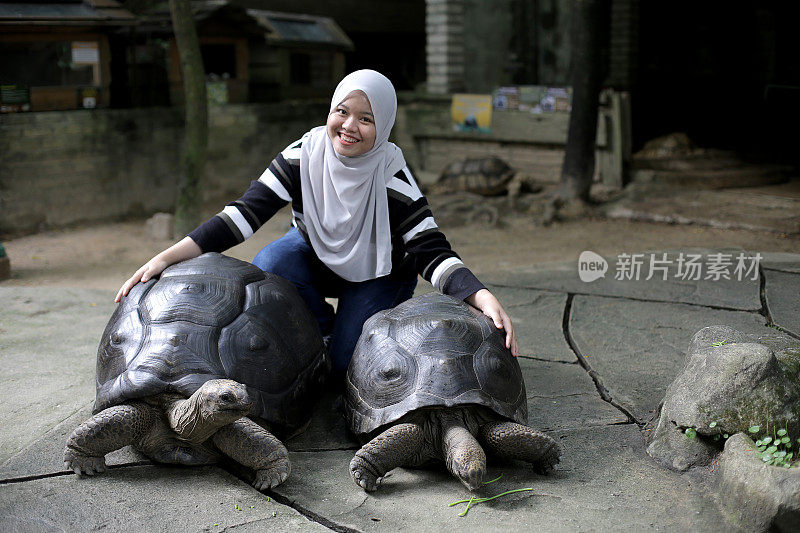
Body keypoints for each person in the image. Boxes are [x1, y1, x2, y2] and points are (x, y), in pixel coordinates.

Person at [116, 69, 518, 377]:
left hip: (379, 273)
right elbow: (243, 214)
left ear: (385, 126)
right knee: (272, 261)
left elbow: (430, 250)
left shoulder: (392, 179)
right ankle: (322, 326)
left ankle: (347, 333)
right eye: (342, 111)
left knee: (344, 366)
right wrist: (166, 258)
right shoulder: (303, 156)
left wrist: (480, 296)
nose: (348, 126)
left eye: (366, 118)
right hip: (316, 256)